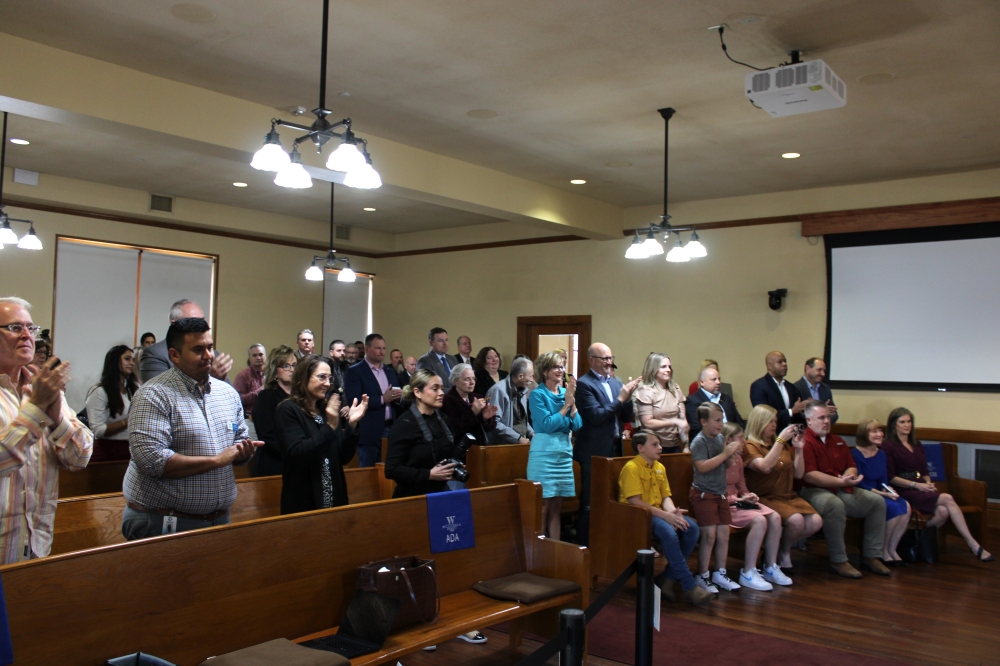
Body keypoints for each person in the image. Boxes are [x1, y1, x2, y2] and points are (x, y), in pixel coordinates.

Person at [122, 317, 258, 540]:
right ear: (174, 355)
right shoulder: (153, 394)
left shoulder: (227, 393)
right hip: (163, 521)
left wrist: (243, 452)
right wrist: (216, 460)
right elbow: (152, 461)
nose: (208, 356)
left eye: (210, 347)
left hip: (217, 519)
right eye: (198, 349)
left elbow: (240, 437)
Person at [0, 296, 93, 563]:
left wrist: (57, 420)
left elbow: (80, 457)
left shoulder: (44, 388)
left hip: (37, 544)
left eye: (31, 328)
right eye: (15, 328)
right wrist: (37, 410)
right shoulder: (42, 395)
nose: (27, 336)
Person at [883, 407, 993, 562]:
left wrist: (928, 482)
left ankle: (918, 537)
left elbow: (924, 470)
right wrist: (916, 485)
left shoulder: (916, 444)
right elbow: (890, 477)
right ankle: (972, 543)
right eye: (902, 422)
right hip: (904, 489)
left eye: (909, 421)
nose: (907, 425)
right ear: (894, 425)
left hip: (921, 486)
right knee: (947, 499)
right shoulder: (888, 446)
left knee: (943, 511)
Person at [799, 400, 891, 578]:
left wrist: (849, 476)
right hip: (812, 490)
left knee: (877, 502)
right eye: (821, 418)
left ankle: (872, 556)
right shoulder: (804, 441)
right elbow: (809, 475)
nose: (827, 421)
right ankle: (838, 560)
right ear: (809, 421)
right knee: (834, 504)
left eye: (828, 417)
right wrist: (840, 482)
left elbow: (851, 465)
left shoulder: (838, 441)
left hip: (840, 487)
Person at [619, 432, 711, 606]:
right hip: (637, 515)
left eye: (660, 444)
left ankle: (667, 578)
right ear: (640, 448)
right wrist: (667, 516)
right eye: (654, 445)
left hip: (658, 512)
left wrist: (673, 512)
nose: (660, 448)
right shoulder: (632, 468)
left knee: (691, 527)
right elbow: (635, 501)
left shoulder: (660, 467)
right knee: (669, 532)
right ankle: (689, 585)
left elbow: (665, 497)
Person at [275, 354, 368, 514]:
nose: (327, 383)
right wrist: (330, 426)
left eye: (330, 378)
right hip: (304, 501)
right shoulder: (288, 410)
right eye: (321, 377)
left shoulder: (327, 411)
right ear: (304, 377)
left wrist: (352, 425)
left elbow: (343, 457)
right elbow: (297, 454)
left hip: (334, 497)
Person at [742, 404, 822, 573]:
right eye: (770, 421)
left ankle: (777, 549)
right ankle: (783, 554)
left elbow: (799, 474)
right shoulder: (750, 445)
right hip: (765, 496)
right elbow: (764, 466)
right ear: (759, 422)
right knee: (796, 521)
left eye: (775, 421)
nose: (774, 425)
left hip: (787, 495)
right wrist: (780, 441)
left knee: (816, 522)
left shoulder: (783, 445)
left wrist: (799, 450)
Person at [574, 343, 640, 545]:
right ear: (592, 360)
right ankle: (584, 546)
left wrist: (628, 397)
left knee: (612, 497)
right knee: (590, 501)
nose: (609, 363)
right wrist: (621, 398)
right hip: (592, 451)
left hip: (615, 447)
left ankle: (606, 541)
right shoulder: (584, 384)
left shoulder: (616, 381)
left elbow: (626, 415)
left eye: (611, 358)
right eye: (605, 359)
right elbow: (596, 416)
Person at [721, 423, 789, 590]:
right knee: (759, 521)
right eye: (741, 438)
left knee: (775, 517)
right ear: (729, 439)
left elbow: (741, 485)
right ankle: (748, 571)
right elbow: (718, 491)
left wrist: (748, 496)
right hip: (725, 504)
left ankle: (770, 566)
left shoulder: (738, 459)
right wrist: (737, 499)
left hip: (739, 501)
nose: (744, 441)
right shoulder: (719, 459)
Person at [527, 351, 582, 540]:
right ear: (544, 371)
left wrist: (571, 402)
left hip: (563, 453)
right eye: (555, 367)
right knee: (543, 507)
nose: (560, 370)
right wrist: (566, 407)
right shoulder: (537, 395)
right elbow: (547, 424)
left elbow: (577, 424)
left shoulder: (565, 393)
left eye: (561, 366)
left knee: (557, 508)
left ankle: (555, 552)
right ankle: (541, 552)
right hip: (544, 454)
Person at [689, 403, 741, 594]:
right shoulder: (699, 442)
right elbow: (702, 467)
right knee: (709, 536)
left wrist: (731, 455)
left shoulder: (719, 438)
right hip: (704, 494)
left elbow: (725, 465)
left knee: (723, 534)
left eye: (722, 419)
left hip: (720, 493)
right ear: (704, 422)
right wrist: (725, 453)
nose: (721, 424)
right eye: (717, 420)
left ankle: (720, 572)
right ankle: (702, 575)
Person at [385, 370, 460, 498]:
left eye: (442, 388)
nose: (441, 393)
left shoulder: (443, 419)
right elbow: (391, 470)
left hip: (440, 492)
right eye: (435, 389)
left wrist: (452, 467)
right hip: (412, 497)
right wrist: (428, 474)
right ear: (417, 392)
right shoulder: (404, 424)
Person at [851, 419, 911, 565]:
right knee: (895, 510)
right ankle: (882, 551)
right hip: (864, 492)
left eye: (880, 431)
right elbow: (860, 483)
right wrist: (882, 494)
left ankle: (892, 549)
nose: (879, 434)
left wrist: (888, 490)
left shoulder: (881, 454)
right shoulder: (855, 453)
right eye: (874, 431)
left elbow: (883, 480)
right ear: (865, 434)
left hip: (880, 491)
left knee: (906, 506)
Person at [139, 299, 232, 382]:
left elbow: (231, 396)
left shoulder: (211, 354)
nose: (200, 326)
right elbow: (159, 393)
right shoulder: (155, 353)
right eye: (192, 322)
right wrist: (209, 377)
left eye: (202, 321)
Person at [345, 333, 402, 467]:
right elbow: (354, 401)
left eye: (383, 348)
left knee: (388, 473)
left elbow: (396, 398)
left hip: (390, 429)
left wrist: (398, 398)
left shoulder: (389, 371)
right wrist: (383, 399)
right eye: (378, 348)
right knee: (368, 474)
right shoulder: (355, 371)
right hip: (369, 431)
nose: (381, 352)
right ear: (366, 349)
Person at [85, 344, 138, 462]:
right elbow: (98, 431)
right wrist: (128, 422)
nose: (132, 363)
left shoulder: (135, 388)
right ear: (114, 361)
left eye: (133, 360)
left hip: (132, 447)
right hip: (109, 450)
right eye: (127, 359)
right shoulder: (99, 391)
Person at [251, 345, 296, 477]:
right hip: (273, 463)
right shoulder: (266, 396)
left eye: (294, 365)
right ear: (275, 370)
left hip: (297, 462)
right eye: (286, 366)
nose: (292, 369)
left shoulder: (301, 396)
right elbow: (266, 434)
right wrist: (295, 450)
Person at [634, 352, 689, 454]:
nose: (668, 370)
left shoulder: (675, 389)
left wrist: (686, 446)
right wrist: (674, 421)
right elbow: (647, 422)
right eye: (663, 367)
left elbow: (682, 421)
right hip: (651, 447)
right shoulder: (645, 391)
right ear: (653, 369)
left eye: (669, 367)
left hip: (674, 445)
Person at [441, 364, 498, 452]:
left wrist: (485, 419)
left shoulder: (478, 397)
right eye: (467, 379)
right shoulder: (447, 401)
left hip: (479, 448)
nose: (472, 382)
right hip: (460, 450)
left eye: (473, 378)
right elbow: (453, 429)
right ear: (456, 382)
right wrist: (473, 412)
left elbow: (489, 429)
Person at [749, 351, 805, 431]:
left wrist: (805, 407)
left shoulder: (791, 387)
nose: (784, 364)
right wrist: (791, 411)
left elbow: (798, 413)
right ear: (769, 366)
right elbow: (763, 415)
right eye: (780, 362)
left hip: (792, 434)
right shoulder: (759, 386)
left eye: (785, 361)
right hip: (772, 435)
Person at [685, 365, 744, 440]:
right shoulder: (693, 401)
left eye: (719, 379)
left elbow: (739, 422)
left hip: (733, 441)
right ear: (702, 382)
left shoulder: (727, 399)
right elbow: (696, 428)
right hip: (708, 444)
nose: (718, 382)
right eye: (714, 379)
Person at [485, 356, 534, 445]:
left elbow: (522, 421)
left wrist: (531, 433)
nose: (532, 380)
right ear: (520, 376)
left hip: (517, 446)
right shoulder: (498, 390)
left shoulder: (522, 390)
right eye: (530, 376)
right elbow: (494, 423)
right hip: (501, 448)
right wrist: (518, 439)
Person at [233, 344, 266, 438]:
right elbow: (238, 400)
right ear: (249, 358)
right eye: (254, 355)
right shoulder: (243, 376)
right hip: (250, 421)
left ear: (265, 356)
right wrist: (259, 391)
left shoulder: (271, 374)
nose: (258, 357)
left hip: (268, 420)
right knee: (253, 450)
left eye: (261, 354)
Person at [793, 357, 838, 424]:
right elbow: (795, 415)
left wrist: (827, 415)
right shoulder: (795, 388)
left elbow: (835, 414)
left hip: (823, 432)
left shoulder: (826, 388)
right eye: (819, 370)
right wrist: (820, 414)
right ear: (808, 368)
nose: (823, 374)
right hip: (804, 432)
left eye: (824, 371)